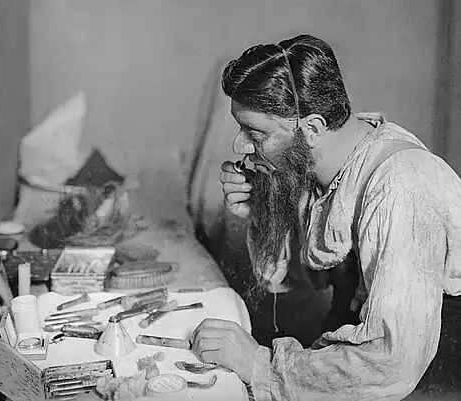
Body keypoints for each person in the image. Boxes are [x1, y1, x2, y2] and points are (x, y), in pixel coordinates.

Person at [190, 34, 461, 400]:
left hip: (429, 372)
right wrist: (260, 211)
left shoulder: (401, 186)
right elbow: (308, 273)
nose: (239, 146)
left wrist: (258, 364)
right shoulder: (327, 163)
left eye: (255, 133)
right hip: (359, 344)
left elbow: (394, 362)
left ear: (313, 128)